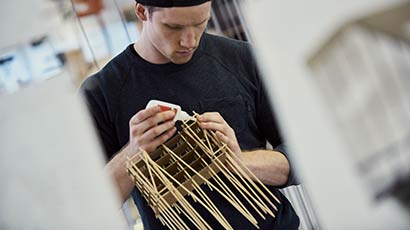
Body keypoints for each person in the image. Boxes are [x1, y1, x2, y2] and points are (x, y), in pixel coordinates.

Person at [80, 0, 300, 229]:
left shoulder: (243, 59)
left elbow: (302, 158)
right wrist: (133, 153)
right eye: (173, 27)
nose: (190, 41)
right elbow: (90, 208)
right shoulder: (102, 93)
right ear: (142, 11)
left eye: (200, 23)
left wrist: (241, 162)